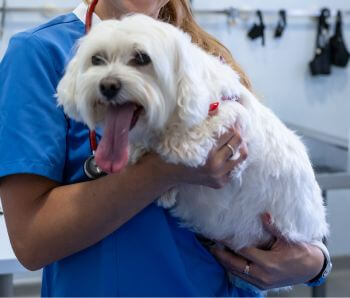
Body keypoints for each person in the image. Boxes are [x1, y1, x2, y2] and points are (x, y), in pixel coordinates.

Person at [0, 0, 331, 296]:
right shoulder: (39, 53)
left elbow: (278, 189)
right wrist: (164, 170)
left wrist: (315, 263)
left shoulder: (203, 57)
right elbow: (31, 243)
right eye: (101, 60)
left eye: (140, 60)